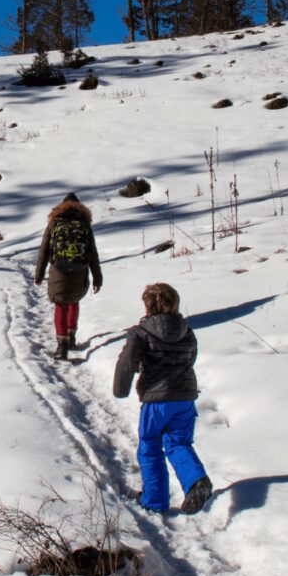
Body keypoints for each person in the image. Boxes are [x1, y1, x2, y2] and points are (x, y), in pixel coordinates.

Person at [113, 283, 212, 514]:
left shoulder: (141, 332)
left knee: (150, 445)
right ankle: (196, 481)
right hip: (185, 396)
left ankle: (154, 499)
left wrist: (121, 389)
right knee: (178, 442)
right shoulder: (187, 331)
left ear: (147, 306)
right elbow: (191, 357)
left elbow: (127, 363)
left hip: (156, 399)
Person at [33, 192, 102, 360]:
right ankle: (71, 336)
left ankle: (62, 345)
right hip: (80, 270)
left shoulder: (54, 223)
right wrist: (97, 277)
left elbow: (44, 251)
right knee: (74, 300)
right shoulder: (84, 224)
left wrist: (39, 275)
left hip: (59, 269)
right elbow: (92, 253)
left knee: (60, 304)